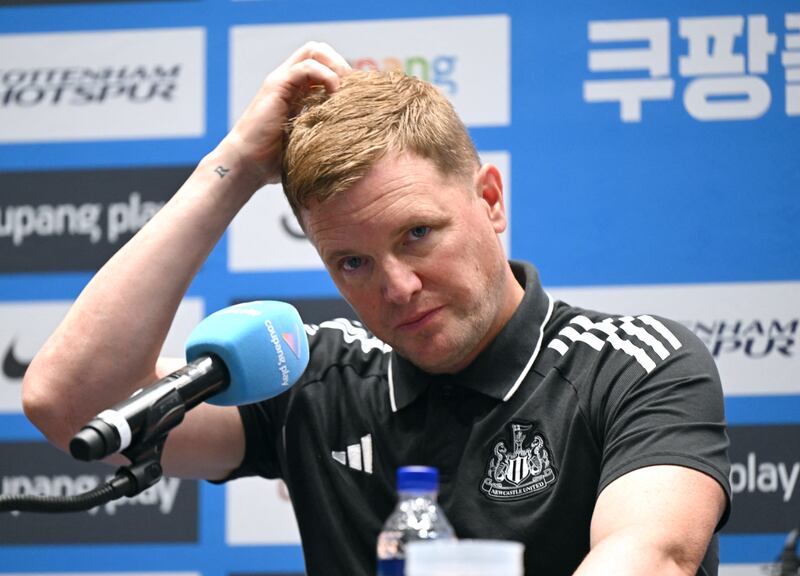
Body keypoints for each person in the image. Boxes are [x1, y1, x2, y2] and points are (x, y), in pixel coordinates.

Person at [22, 42, 731, 575]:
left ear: (489, 200)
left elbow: (653, 556)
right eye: (352, 263)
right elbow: (69, 403)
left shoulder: (635, 364)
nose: (395, 289)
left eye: (416, 235)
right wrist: (236, 165)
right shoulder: (312, 376)